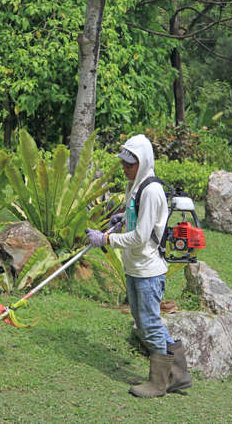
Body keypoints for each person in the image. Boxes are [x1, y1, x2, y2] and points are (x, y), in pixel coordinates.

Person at [85, 134, 191, 398]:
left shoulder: (152, 189)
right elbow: (141, 219)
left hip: (148, 270)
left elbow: (142, 237)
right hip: (135, 267)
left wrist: (106, 239)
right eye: (123, 162)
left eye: (130, 164)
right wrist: (124, 217)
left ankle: (158, 383)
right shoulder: (137, 184)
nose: (125, 167)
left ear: (143, 162)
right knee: (146, 323)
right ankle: (176, 377)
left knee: (150, 324)